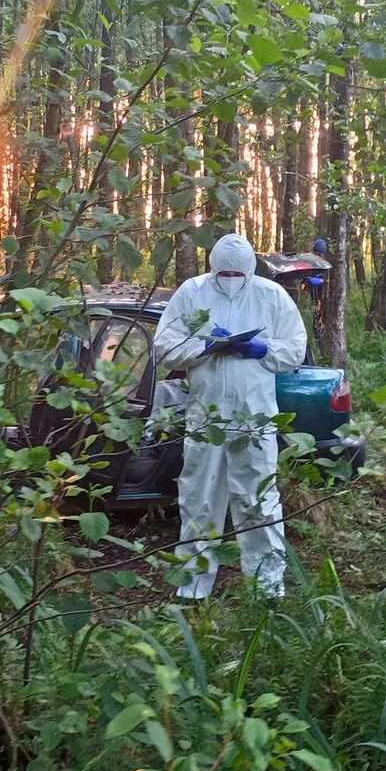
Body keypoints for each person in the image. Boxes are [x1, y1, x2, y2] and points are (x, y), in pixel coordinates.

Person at [153, 233, 308, 600]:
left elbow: (295, 350)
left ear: (250, 271)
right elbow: (164, 346)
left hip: (254, 419)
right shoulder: (192, 293)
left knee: (258, 500)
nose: (231, 281)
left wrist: (260, 348)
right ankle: (191, 588)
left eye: (238, 276)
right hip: (205, 419)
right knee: (198, 499)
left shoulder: (271, 296)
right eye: (225, 275)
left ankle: (267, 589)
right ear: (214, 268)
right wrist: (204, 347)